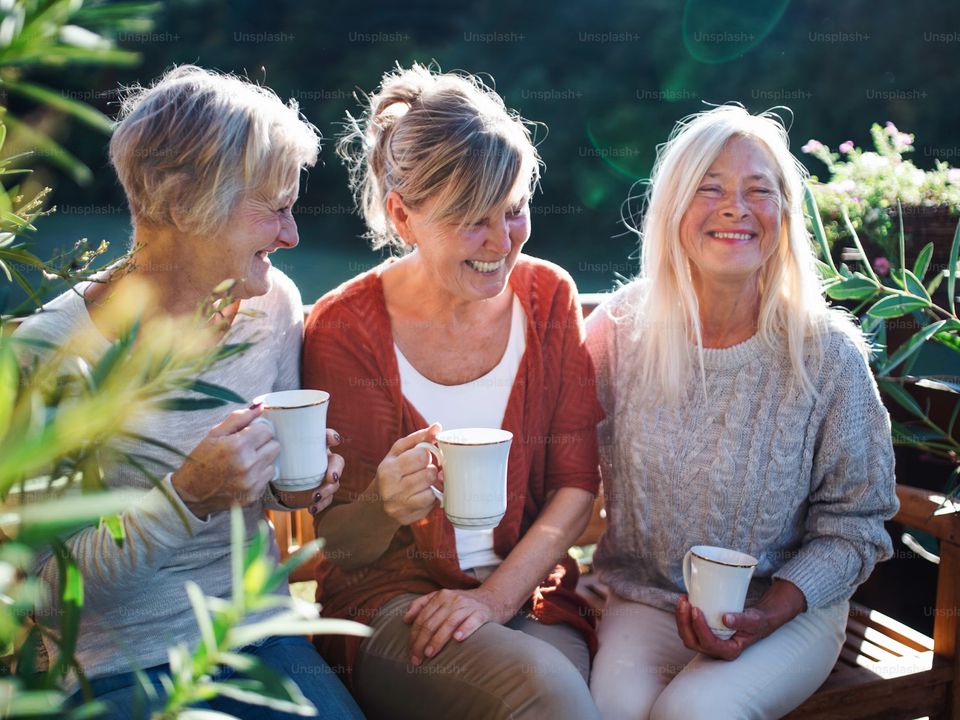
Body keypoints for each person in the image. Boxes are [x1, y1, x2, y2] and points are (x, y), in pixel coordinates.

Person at [14, 66, 364, 720]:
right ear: (180, 205)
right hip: (114, 665)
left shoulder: (271, 306)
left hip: (254, 632)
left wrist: (296, 481)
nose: (292, 237)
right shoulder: (52, 353)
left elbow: (275, 496)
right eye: (275, 209)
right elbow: (41, 589)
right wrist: (184, 499)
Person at [302, 63, 604, 720]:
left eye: (515, 210)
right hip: (390, 609)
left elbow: (575, 490)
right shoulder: (345, 330)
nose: (502, 244)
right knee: (550, 696)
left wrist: (493, 599)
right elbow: (344, 549)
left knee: (568, 693)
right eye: (473, 220)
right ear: (403, 216)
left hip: (527, 599)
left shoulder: (549, 298)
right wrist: (384, 503)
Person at [585, 104, 899, 720]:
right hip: (647, 599)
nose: (736, 207)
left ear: (784, 216)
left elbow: (858, 523)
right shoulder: (620, 330)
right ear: (673, 207)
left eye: (760, 191)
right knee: (610, 712)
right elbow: (556, 462)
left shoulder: (827, 355)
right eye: (710, 189)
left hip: (790, 610)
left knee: (695, 713)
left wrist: (771, 611)